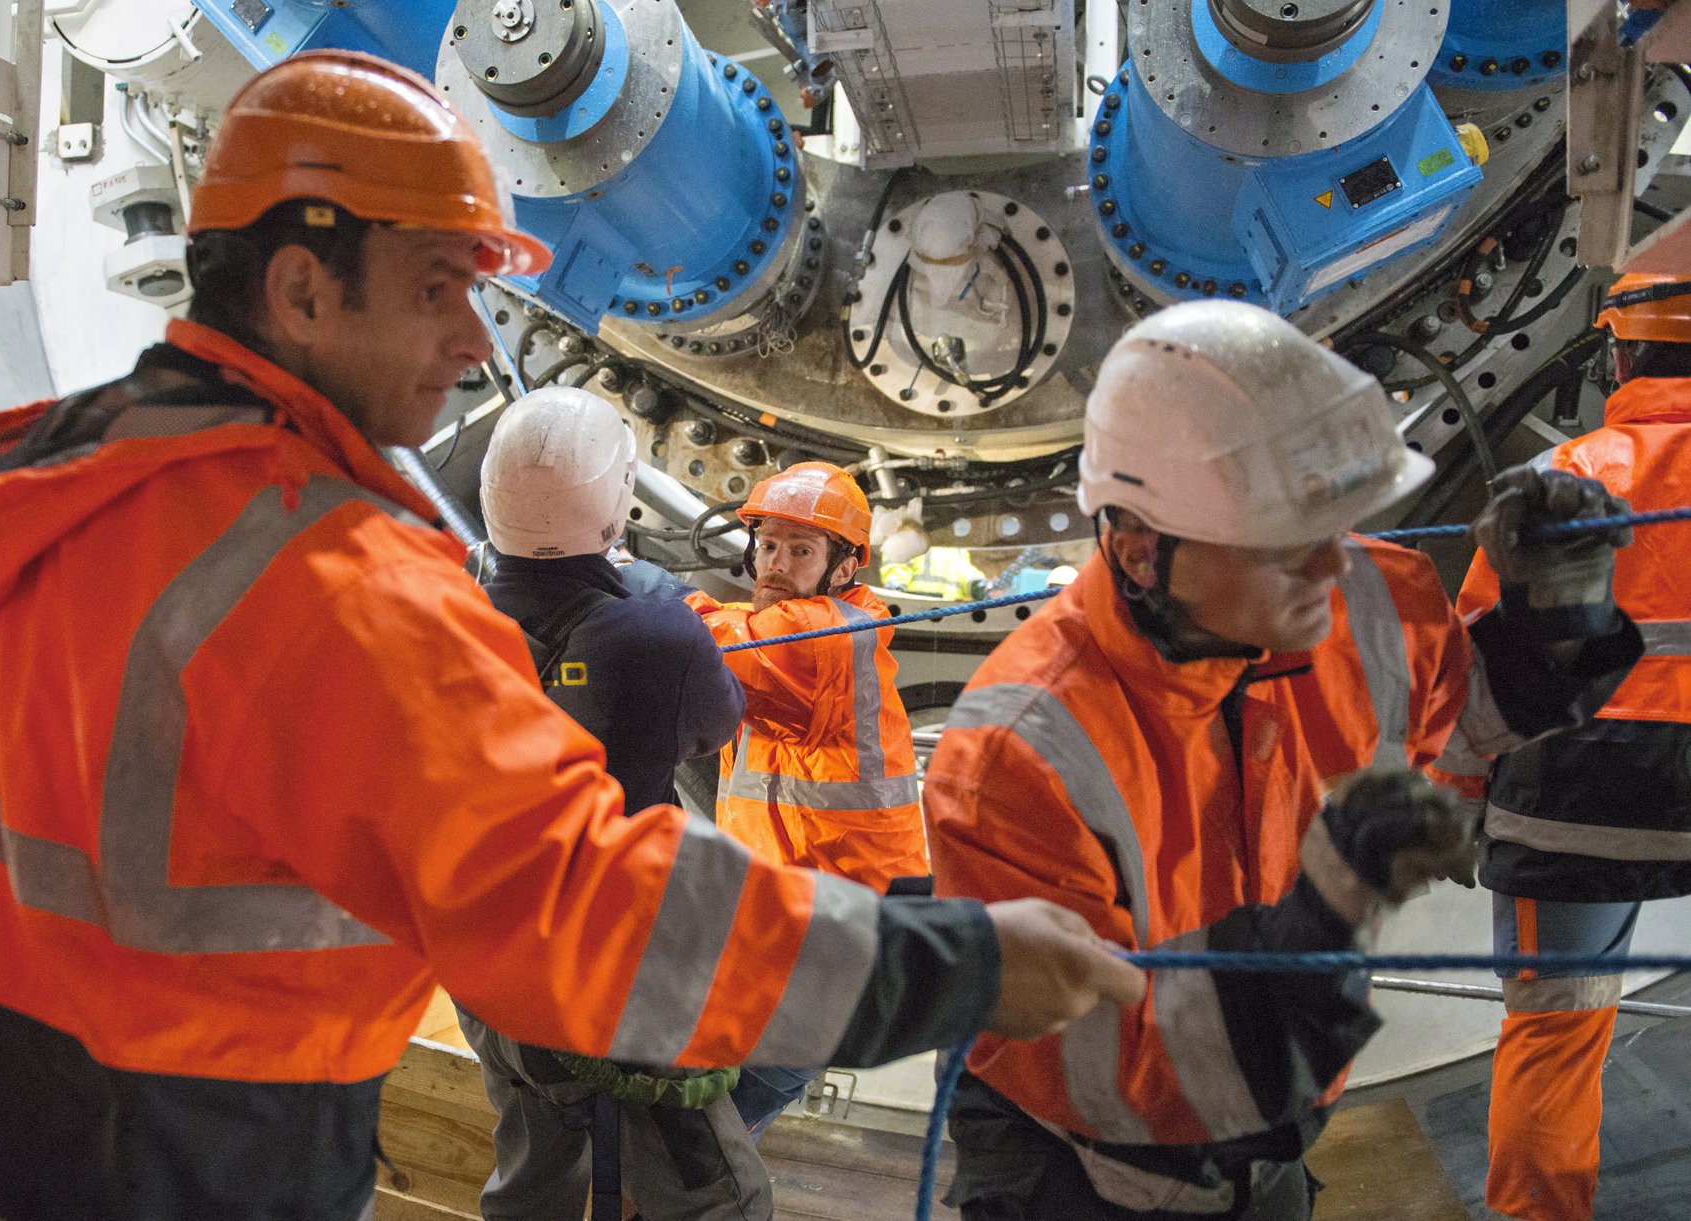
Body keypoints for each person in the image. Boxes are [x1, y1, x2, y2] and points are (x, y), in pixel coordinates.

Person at [0, 51, 1147, 1221]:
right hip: (182, 1169)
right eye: (438, 287)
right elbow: (595, 913)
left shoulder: (74, 485)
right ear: (303, 288)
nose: (477, 338)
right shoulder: (323, 581)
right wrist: (962, 961)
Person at [922, 299, 1643, 1221]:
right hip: (1079, 1173)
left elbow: (1461, 724)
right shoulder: (1020, 754)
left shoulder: (1368, 598)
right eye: (1286, 542)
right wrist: (1328, 904)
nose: (1332, 568)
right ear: (1142, 550)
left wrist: (1561, 611)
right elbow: (1106, 1075)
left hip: (1275, 1130)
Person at [459, 384, 768, 1221]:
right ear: (618, 497)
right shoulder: (656, 628)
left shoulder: (451, 613)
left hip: (489, 959)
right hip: (614, 975)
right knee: (717, 1197)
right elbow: (716, 723)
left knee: (536, 1167)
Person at [1456, 273, 1691, 1221]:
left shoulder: (1569, 478)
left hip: (1573, 793)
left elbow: (1476, 660)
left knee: (1556, 1033)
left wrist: (1449, 791)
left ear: (1619, 355)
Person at [684, 463, 930, 1135]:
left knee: (703, 1143)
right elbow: (728, 623)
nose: (776, 564)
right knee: (705, 1133)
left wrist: (631, 586)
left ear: (844, 567)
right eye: (768, 546)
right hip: (789, 933)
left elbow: (708, 644)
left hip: (834, 949)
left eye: (802, 551)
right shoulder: (778, 623)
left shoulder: (825, 641)